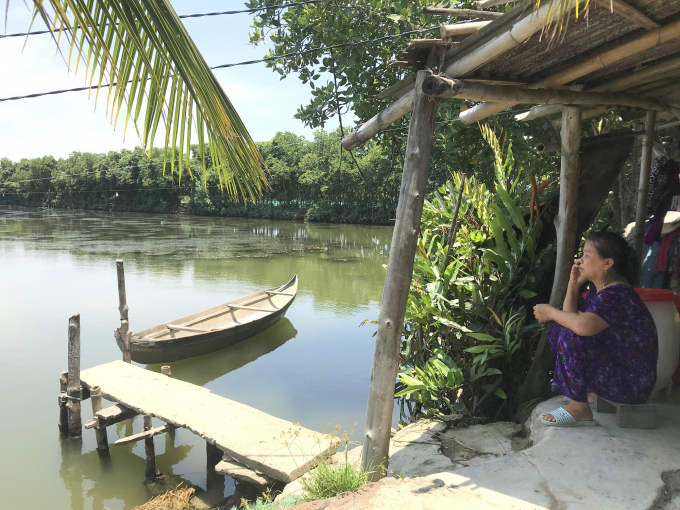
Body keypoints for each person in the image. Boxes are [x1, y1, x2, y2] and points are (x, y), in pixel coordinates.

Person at [533, 231, 658, 427]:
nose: (580, 260)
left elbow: (582, 326)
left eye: (587, 255)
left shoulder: (617, 294)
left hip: (631, 384)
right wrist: (573, 285)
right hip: (617, 375)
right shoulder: (600, 292)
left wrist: (549, 312)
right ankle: (586, 394)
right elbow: (570, 317)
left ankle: (579, 407)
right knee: (558, 331)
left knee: (570, 335)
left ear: (607, 264)